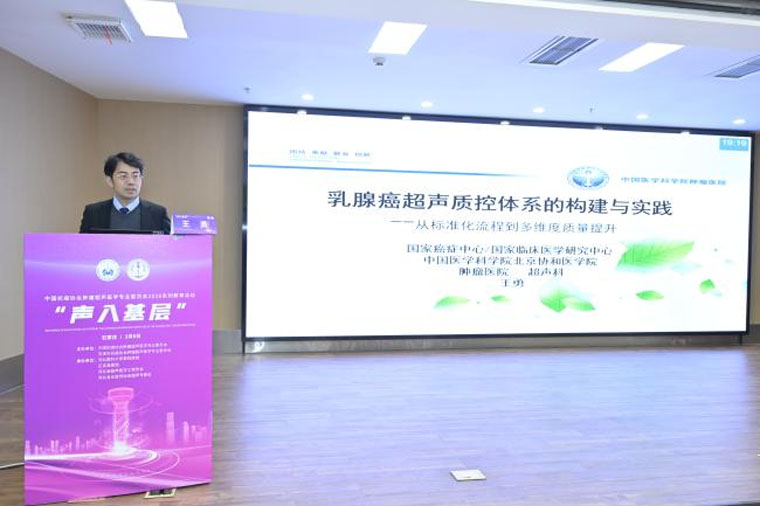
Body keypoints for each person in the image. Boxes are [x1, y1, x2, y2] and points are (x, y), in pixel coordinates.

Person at [79, 152, 171, 234]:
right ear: (110, 181)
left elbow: (169, 245)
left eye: (135, 176)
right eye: (123, 176)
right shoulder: (93, 213)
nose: (131, 182)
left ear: (141, 179)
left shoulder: (158, 214)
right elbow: (82, 245)